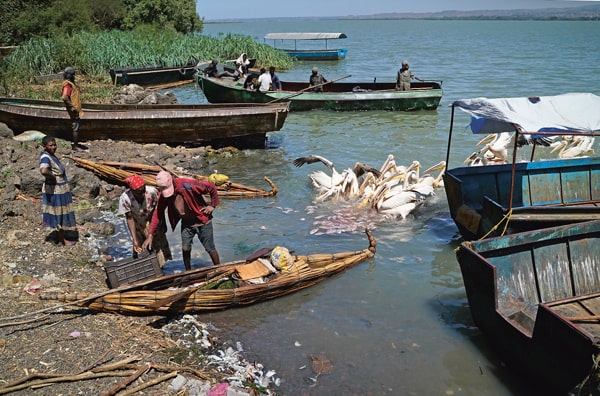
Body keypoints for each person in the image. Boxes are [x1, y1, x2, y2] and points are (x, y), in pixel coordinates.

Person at [142, 171, 222, 271]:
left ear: (172, 182)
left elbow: (211, 186)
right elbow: (158, 213)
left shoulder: (188, 185)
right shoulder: (163, 196)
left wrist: (212, 205)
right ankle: (188, 271)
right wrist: (150, 235)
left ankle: (219, 269)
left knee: (210, 249)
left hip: (203, 221)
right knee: (185, 248)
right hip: (187, 223)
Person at [117, 174, 172, 266]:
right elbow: (129, 218)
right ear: (133, 191)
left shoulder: (152, 192)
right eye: (139, 192)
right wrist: (134, 239)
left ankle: (160, 268)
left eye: (143, 190)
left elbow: (159, 210)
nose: (143, 194)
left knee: (157, 247)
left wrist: (163, 223)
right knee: (140, 247)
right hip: (137, 224)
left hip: (152, 221)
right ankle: (146, 267)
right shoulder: (125, 198)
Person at [39, 135, 77, 246]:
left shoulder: (51, 155)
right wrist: (52, 177)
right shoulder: (45, 157)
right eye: (50, 145)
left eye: (55, 144)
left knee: (60, 212)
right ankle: (62, 240)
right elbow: (43, 170)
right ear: (45, 146)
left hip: (60, 189)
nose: (54, 147)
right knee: (58, 214)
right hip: (55, 190)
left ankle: (62, 236)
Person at [61, 66, 85, 151]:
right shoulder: (68, 85)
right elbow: (64, 97)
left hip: (74, 108)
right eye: (73, 75)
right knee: (76, 127)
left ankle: (75, 145)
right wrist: (72, 107)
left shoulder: (69, 84)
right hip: (73, 109)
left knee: (76, 126)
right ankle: (75, 146)